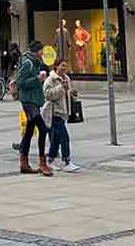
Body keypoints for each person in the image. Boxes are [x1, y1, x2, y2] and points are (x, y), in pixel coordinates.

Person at [15, 40, 53, 176]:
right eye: (41, 50)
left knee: (30, 131)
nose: (43, 52)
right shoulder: (27, 63)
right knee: (42, 129)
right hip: (28, 101)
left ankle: (23, 162)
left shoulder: (36, 62)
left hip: (34, 100)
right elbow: (20, 82)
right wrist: (37, 79)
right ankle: (42, 163)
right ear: (36, 51)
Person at [43, 61, 80, 172]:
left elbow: (66, 94)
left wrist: (72, 93)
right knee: (64, 137)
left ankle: (50, 160)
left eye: (66, 65)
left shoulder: (66, 78)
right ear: (56, 67)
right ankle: (67, 161)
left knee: (56, 139)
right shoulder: (50, 79)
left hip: (63, 112)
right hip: (55, 113)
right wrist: (61, 88)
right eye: (62, 65)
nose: (65, 68)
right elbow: (48, 95)